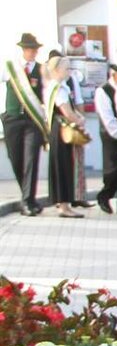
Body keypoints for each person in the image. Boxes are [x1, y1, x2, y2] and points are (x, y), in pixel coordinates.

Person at [39, 53, 87, 218]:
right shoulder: (58, 88)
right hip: (62, 132)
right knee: (64, 166)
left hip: (57, 130)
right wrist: (80, 120)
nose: (69, 72)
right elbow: (67, 111)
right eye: (66, 68)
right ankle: (65, 205)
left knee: (61, 165)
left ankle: (63, 203)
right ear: (57, 70)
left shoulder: (54, 87)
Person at [4, 33, 46, 215]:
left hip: (32, 120)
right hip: (12, 118)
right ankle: (28, 197)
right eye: (30, 49)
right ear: (23, 50)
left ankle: (27, 202)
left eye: (35, 49)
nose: (33, 53)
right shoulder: (9, 68)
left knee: (31, 159)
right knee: (15, 158)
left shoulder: (41, 69)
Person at [93, 63, 117, 215]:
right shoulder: (103, 91)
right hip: (111, 134)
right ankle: (104, 196)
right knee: (113, 170)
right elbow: (108, 118)